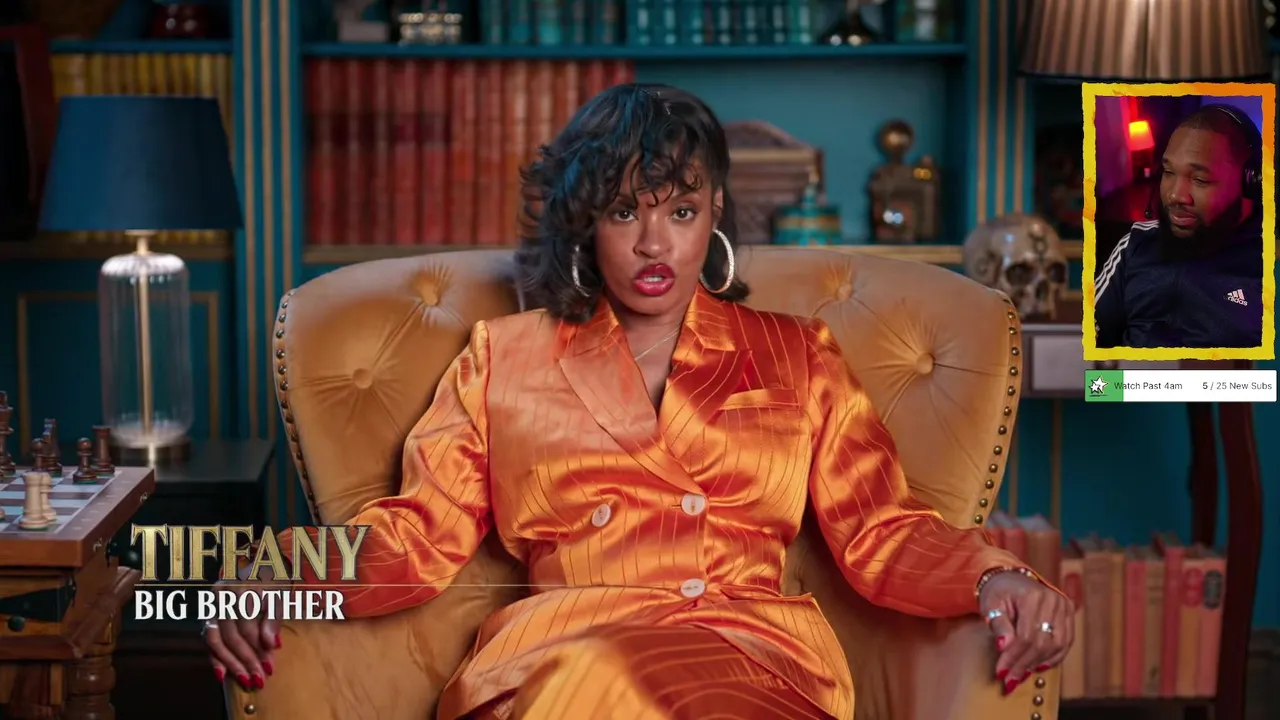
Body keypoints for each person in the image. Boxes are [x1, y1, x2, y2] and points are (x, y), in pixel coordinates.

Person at [202, 84, 1073, 719]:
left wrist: (997, 574)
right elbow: (415, 539)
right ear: (586, 221)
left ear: (715, 210)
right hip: (563, 660)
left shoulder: (796, 354)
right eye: (625, 212)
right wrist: (275, 576)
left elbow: (883, 532)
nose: (655, 243)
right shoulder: (504, 357)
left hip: (754, 661)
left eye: (681, 211)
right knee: (607, 680)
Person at [1094, 104, 1265, 349]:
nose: (1175, 195)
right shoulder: (1135, 245)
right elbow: (1085, 347)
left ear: (1250, 182)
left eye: (1199, 179)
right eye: (1168, 172)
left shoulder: (1266, 264)